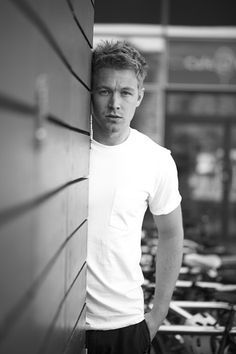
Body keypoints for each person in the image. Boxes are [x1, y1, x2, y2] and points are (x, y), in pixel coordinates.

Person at [86, 40, 184, 354]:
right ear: (90, 92)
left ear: (139, 97)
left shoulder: (156, 160)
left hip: (125, 326)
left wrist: (158, 314)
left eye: (125, 92)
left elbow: (171, 233)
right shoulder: (64, 147)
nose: (115, 103)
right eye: (104, 91)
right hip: (61, 322)